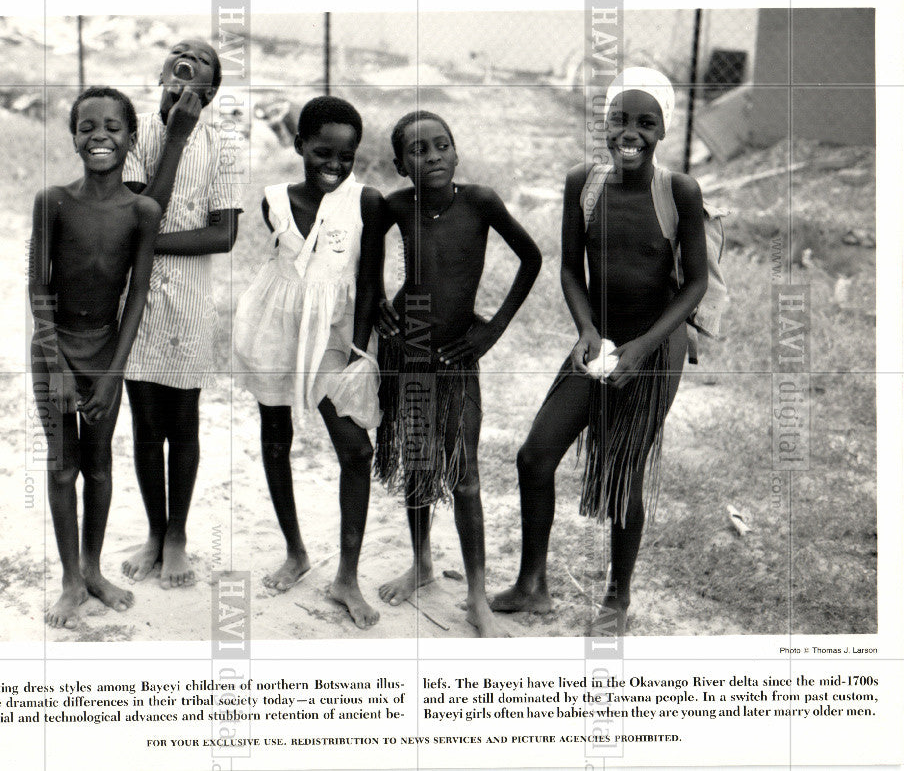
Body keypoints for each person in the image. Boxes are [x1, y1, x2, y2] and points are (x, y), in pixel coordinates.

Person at [491, 68, 708, 636]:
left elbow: (694, 285)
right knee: (534, 457)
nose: (629, 132)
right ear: (604, 125)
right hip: (598, 341)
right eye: (618, 120)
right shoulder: (582, 183)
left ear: (662, 130)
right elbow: (568, 267)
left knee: (622, 473)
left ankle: (617, 598)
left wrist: (642, 348)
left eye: (644, 122)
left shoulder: (678, 190)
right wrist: (586, 331)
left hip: (655, 348)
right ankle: (532, 584)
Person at [375, 110, 542, 637]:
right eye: (418, 152)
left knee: (465, 475)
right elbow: (363, 266)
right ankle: (423, 562)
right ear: (402, 165)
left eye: (441, 145)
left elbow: (532, 259)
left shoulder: (480, 201)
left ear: (456, 151)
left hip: (459, 351)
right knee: (421, 461)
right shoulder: (395, 206)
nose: (432, 158)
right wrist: (379, 303)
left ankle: (476, 596)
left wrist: (491, 330)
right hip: (412, 342)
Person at [233, 96, 384, 629]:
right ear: (299, 146)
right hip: (273, 326)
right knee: (275, 437)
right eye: (323, 153)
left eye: (346, 157)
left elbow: (369, 282)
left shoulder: (368, 202)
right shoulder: (273, 199)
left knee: (355, 450)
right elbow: (284, 266)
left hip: (333, 334)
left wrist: (358, 351)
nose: (335, 166)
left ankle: (346, 576)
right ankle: (295, 551)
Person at [29, 87, 160, 628]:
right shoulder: (52, 201)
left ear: (131, 138)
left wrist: (112, 376)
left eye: (113, 127)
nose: (99, 136)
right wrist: (55, 364)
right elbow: (38, 287)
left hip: (106, 351)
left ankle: (93, 570)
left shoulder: (143, 211)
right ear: (73, 136)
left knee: (100, 465)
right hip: (52, 350)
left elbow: (136, 297)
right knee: (63, 468)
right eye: (87, 126)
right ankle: (69, 582)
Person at [119, 38, 242, 589]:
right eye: (177, 53)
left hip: (189, 302)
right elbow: (139, 209)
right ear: (162, 71)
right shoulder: (132, 131)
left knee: (183, 424)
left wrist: (147, 243)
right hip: (136, 301)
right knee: (146, 424)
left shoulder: (227, 144)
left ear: (211, 89)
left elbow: (223, 234)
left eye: (202, 61)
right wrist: (175, 137)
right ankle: (153, 532)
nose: (186, 59)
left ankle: (178, 537)